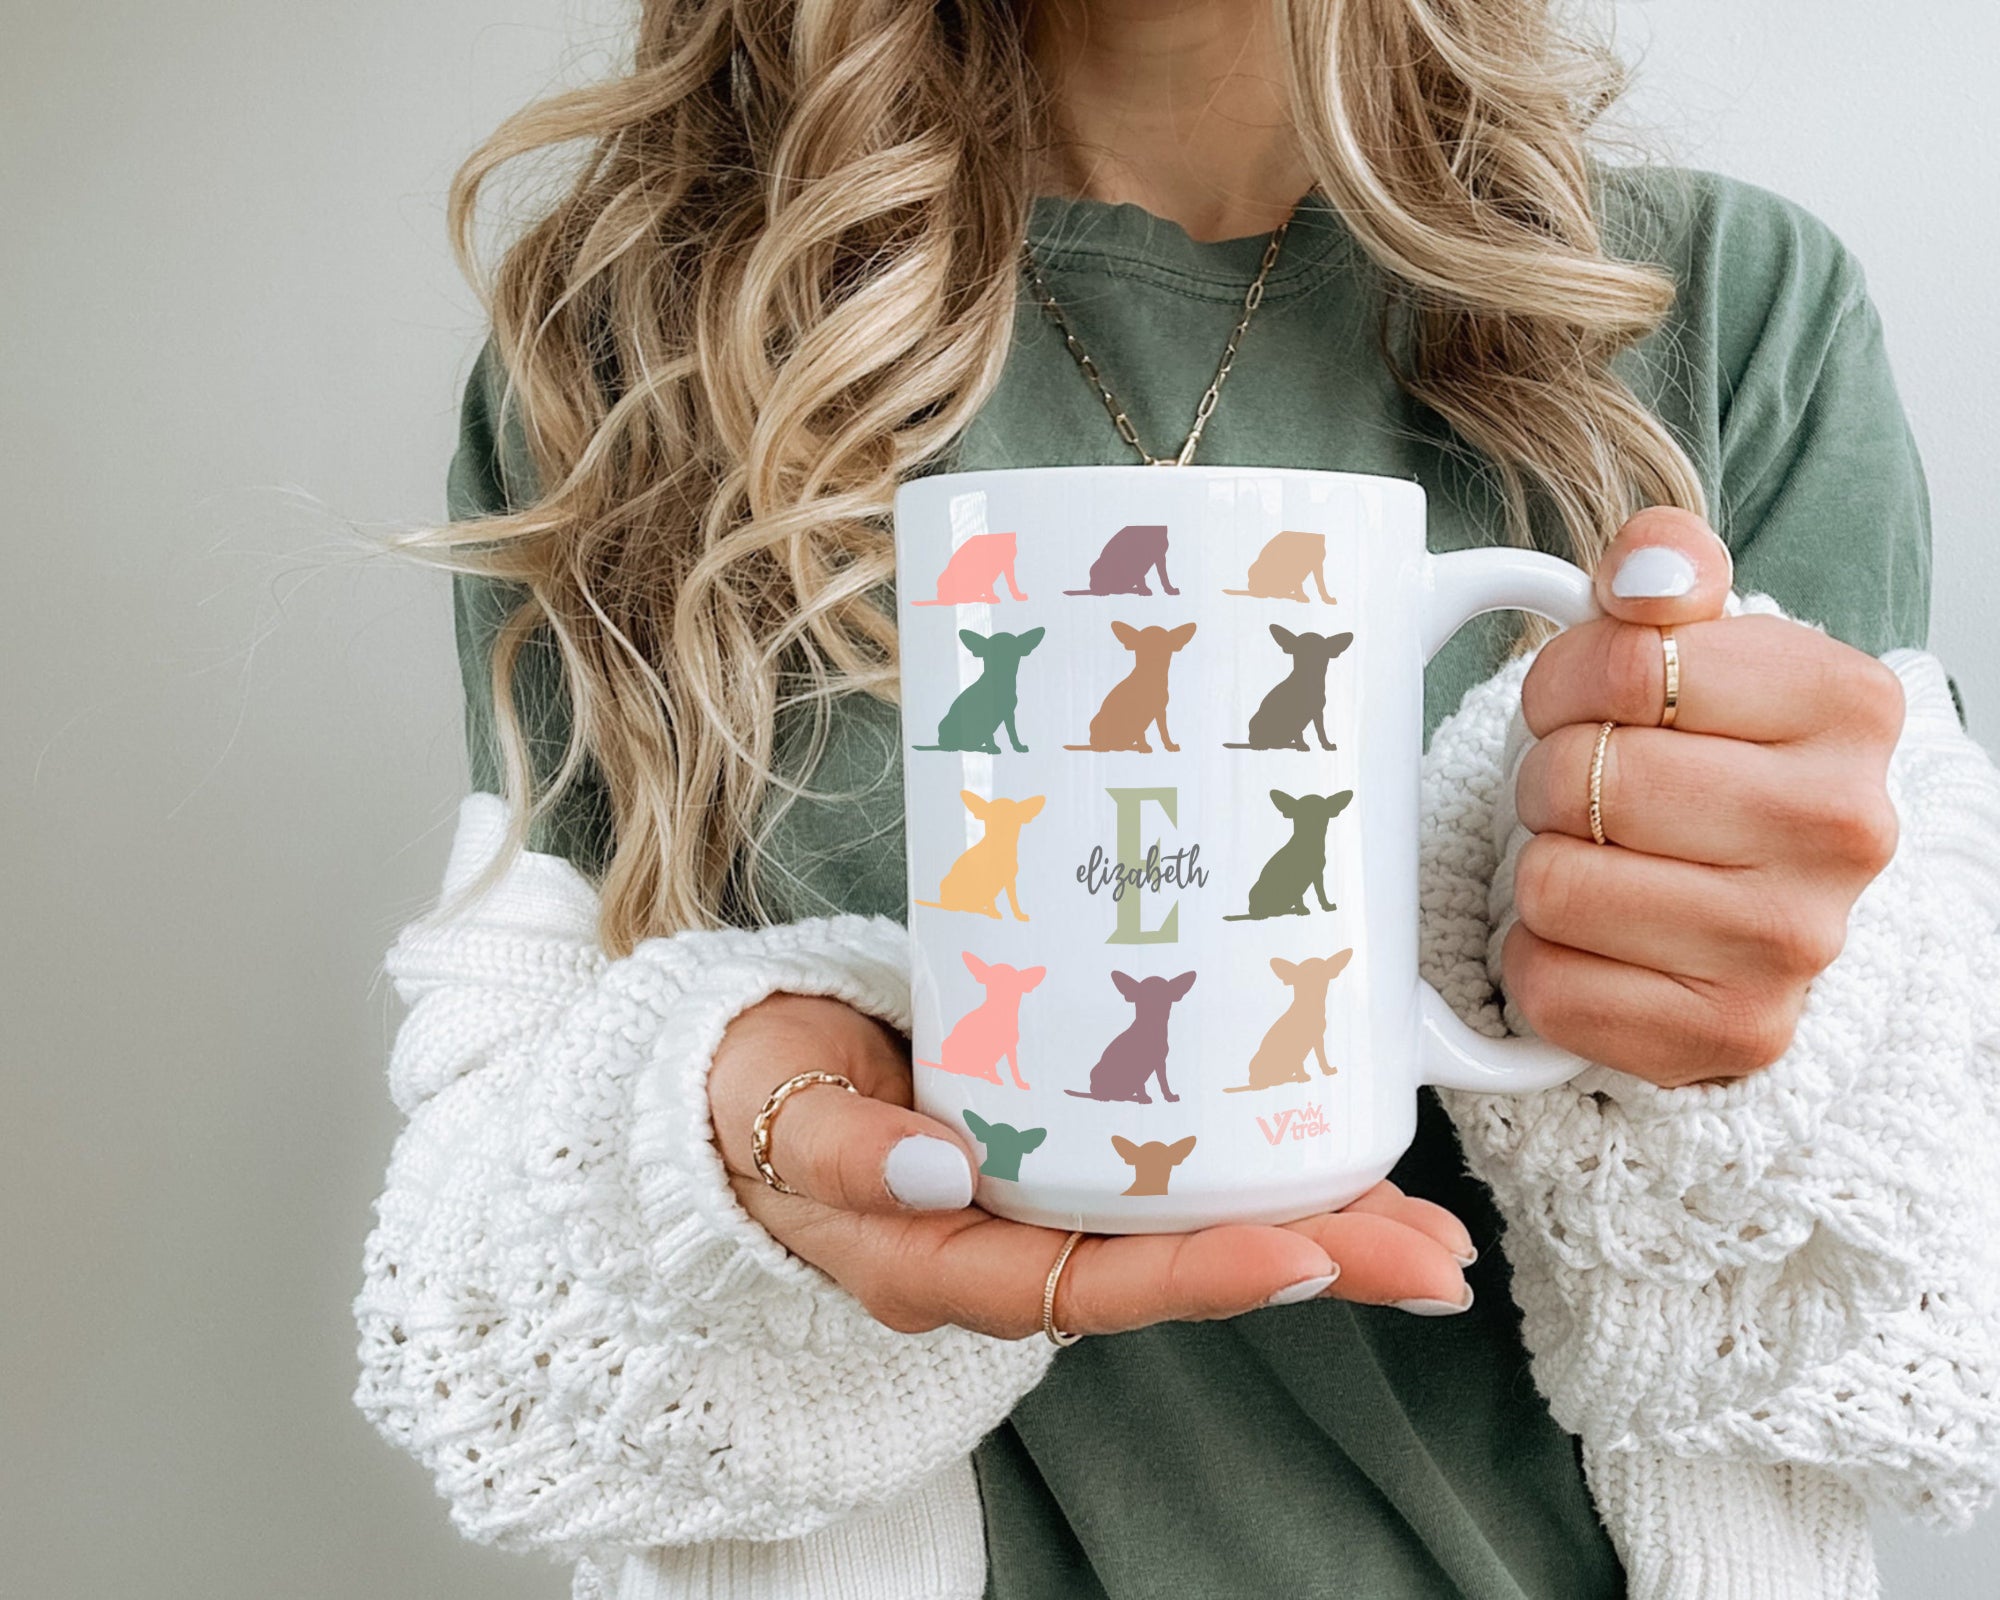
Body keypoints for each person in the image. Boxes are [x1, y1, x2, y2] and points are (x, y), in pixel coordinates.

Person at [351, 0, 2000, 1595]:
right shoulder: (636, 350)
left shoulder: (1712, 311)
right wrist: (704, 1164)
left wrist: (1757, 1015)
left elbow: (1922, 1276)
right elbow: (484, 1273)